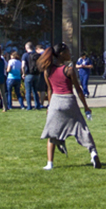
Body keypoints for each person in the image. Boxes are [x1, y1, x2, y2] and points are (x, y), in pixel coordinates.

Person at [38, 42, 101, 170]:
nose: (69, 53)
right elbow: (78, 90)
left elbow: (50, 90)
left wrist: (49, 106)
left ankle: (50, 163)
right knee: (82, 128)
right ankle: (93, 152)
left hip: (55, 102)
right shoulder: (69, 69)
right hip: (69, 101)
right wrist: (86, 106)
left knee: (52, 133)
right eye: (67, 51)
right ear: (61, 54)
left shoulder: (48, 70)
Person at [21, 42, 41, 110]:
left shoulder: (25, 55)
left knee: (28, 91)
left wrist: (23, 73)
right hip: (36, 75)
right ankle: (37, 105)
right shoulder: (37, 55)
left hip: (29, 74)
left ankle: (29, 106)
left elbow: (23, 65)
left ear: (26, 48)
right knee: (35, 91)